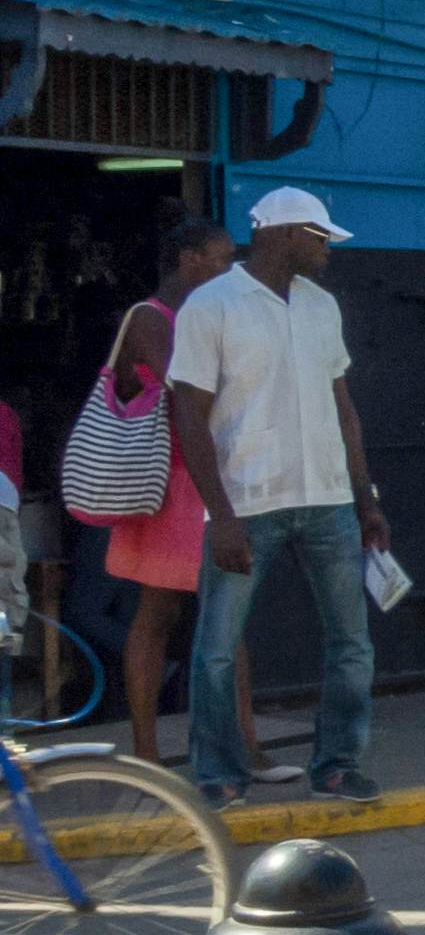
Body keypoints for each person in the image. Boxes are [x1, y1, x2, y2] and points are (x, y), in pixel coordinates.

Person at [168, 186, 393, 806]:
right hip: (247, 503)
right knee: (215, 648)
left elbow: (343, 408)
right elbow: (189, 412)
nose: (327, 249)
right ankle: (217, 772)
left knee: (352, 642)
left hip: (328, 502)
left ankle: (338, 766)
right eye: (319, 236)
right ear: (284, 234)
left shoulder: (323, 307)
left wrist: (365, 498)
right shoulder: (210, 306)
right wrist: (220, 515)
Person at [96, 217, 253, 769]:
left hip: (196, 480)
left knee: (206, 615)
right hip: (173, 486)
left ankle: (237, 746)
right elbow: (186, 386)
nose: (230, 269)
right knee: (174, 615)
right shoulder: (150, 318)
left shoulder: (196, 314)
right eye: (220, 258)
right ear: (188, 259)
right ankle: (151, 753)